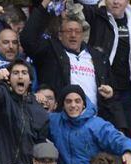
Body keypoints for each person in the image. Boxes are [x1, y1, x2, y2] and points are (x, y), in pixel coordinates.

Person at [20, 0, 124, 129]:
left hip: (94, 122)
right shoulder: (50, 51)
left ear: (83, 35)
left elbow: (112, 95)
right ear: (60, 35)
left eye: (77, 31)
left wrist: (120, 126)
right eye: (68, 31)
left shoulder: (98, 57)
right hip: (61, 122)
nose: (73, 35)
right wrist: (44, 5)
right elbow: (27, 39)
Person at [79, 0, 131, 141]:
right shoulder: (94, 15)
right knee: (101, 136)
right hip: (101, 88)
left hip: (128, 91)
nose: (116, 1)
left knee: (129, 137)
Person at [49, 85, 131, 164]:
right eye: (68, 101)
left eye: (77, 101)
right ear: (63, 105)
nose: (73, 105)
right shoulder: (54, 121)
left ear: (84, 104)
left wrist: (128, 150)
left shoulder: (96, 124)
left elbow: (117, 139)